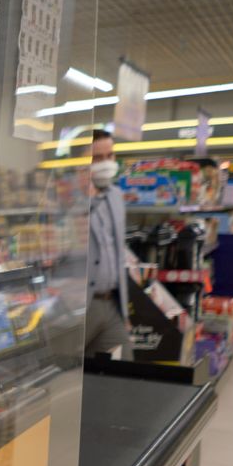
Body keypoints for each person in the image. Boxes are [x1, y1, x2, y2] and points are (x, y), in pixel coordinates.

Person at [83, 129, 132, 358]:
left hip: (111, 303)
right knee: (65, 371)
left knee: (123, 367)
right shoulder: (69, 197)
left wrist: (125, 312)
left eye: (110, 155)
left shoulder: (116, 196)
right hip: (82, 305)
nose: (106, 162)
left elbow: (118, 252)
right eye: (97, 158)